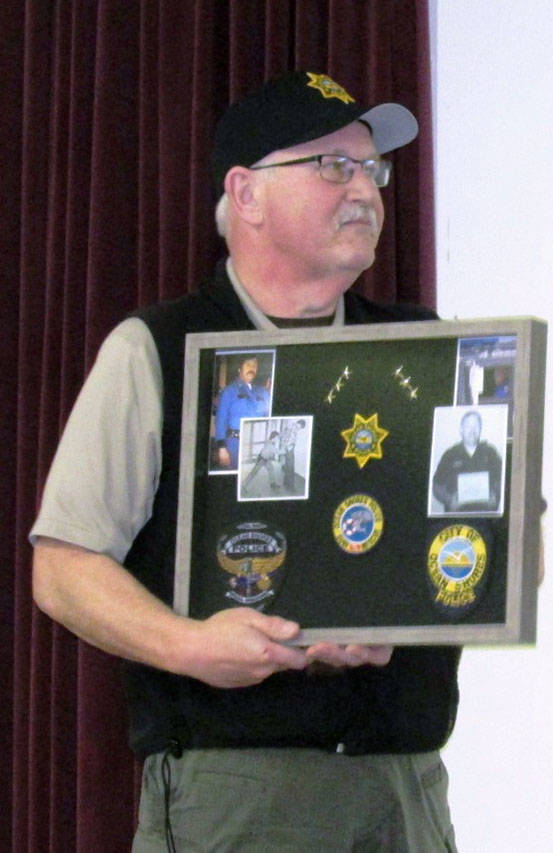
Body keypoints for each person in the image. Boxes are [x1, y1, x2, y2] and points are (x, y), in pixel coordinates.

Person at [31, 71, 461, 850]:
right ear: (248, 192)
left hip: (404, 783)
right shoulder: (157, 349)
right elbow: (63, 567)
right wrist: (191, 646)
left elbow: (501, 551)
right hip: (240, 788)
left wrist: (429, 599)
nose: (365, 187)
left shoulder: (418, 350)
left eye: (374, 168)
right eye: (334, 166)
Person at [432, 410, 503, 513]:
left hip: (485, 514)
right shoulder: (450, 454)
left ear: (480, 430)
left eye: (476, 426)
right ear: (461, 429)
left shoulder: (491, 452)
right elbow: (436, 485)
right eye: (468, 426)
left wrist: (496, 496)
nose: (472, 430)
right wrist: (449, 500)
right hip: (457, 515)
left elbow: (503, 480)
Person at [214, 355, 269, 468]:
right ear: (240, 368)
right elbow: (221, 420)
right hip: (235, 444)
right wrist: (221, 448)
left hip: (258, 443)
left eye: (254, 365)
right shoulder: (229, 391)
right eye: (248, 364)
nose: (252, 368)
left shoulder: (262, 392)